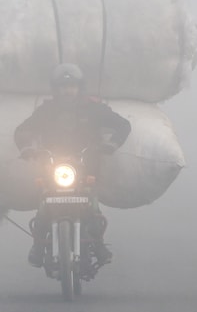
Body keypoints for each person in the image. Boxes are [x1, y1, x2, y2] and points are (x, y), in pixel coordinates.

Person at [14, 63, 131, 267]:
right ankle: (38, 246)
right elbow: (23, 129)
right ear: (55, 89)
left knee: (91, 203)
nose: (68, 91)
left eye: (72, 86)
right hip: (52, 166)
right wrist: (26, 147)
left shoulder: (94, 109)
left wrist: (112, 143)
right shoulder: (46, 110)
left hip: (86, 165)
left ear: (79, 88)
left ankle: (99, 244)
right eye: (63, 86)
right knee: (44, 203)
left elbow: (123, 125)